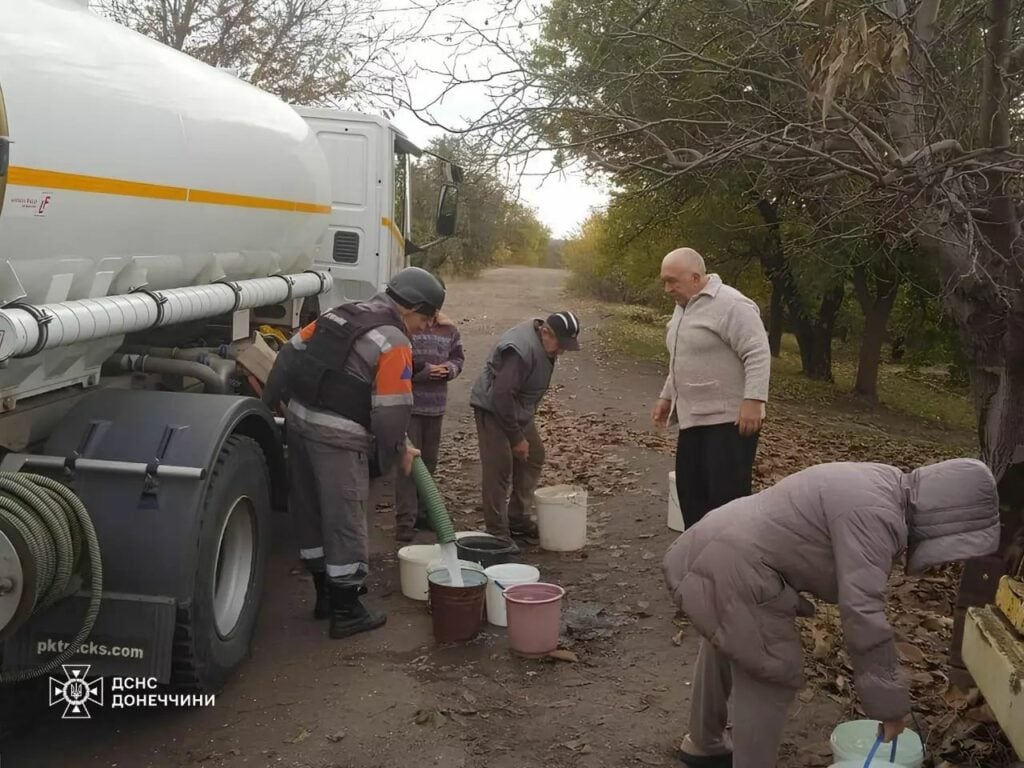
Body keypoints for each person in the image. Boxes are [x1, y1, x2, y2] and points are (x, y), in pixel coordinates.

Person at [662, 458, 1001, 768]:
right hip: (739, 568)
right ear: (947, 517)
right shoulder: (877, 515)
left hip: (714, 542)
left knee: (726, 640)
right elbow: (862, 610)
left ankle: (703, 743)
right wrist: (890, 709)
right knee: (771, 672)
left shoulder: (883, 484)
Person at [264, 266, 446, 639]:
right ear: (412, 307)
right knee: (343, 519)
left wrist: (273, 406)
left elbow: (288, 354)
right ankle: (347, 611)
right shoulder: (394, 341)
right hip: (338, 439)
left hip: (300, 423)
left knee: (310, 512)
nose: (426, 327)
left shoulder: (339, 313)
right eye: (426, 318)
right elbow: (393, 408)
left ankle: (324, 598)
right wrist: (392, 454)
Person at [651, 247, 771, 530]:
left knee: (725, 501)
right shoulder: (683, 307)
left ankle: (732, 564)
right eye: (664, 282)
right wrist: (666, 396)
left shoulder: (731, 304)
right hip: (694, 418)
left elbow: (757, 351)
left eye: (672, 281)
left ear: (695, 277)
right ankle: (702, 557)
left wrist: (754, 400)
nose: (667, 289)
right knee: (691, 494)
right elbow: (681, 357)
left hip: (729, 422)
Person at [469, 311, 582, 546]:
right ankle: (497, 533)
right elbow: (501, 396)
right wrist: (516, 438)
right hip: (493, 409)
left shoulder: (544, 342)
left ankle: (518, 518)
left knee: (534, 456)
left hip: (518, 409)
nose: (561, 351)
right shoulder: (519, 351)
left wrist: (521, 433)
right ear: (545, 332)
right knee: (499, 469)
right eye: (560, 345)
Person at [393, 309, 465, 542]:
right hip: (411, 407)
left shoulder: (449, 329)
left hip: (436, 408)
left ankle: (424, 513)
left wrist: (449, 370)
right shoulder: (407, 328)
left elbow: (458, 357)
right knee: (409, 466)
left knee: (430, 463)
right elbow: (401, 364)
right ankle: (405, 520)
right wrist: (425, 371)